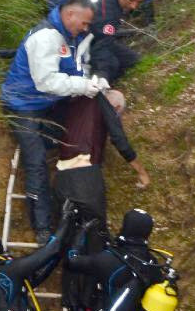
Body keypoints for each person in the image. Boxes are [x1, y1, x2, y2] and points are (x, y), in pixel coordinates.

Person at [1, 0, 107, 244]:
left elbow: (75, 70)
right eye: (84, 22)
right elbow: (46, 81)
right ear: (70, 14)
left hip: (47, 104)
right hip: (22, 104)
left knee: (69, 138)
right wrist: (82, 86)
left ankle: (63, 204)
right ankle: (42, 227)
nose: (86, 28)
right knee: (36, 161)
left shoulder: (69, 38)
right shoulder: (46, 37)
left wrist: (94, 80)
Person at [66, 209, 179, 311]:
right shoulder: (153, 264)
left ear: (125, 227)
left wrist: (81, 232)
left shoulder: (108, 259)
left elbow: (72, 260)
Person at [54, 89, 150, 231]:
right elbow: (119, 140)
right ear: (116, 108)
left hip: (61, 175)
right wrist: (142, 172)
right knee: (95, 231)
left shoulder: (76, 102)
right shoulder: (101, 102)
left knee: (66, 232)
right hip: (84, 175)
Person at [83, 0, 151, 83]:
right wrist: (102, 74)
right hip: (83, 40)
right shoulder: (106, 13)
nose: (134, 6)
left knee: (133, 60)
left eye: (139, 2)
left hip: (98, 31)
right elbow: (101, 44)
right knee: (112, 65)